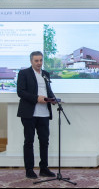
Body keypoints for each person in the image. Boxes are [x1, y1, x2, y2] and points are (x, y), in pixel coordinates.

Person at [17, 51, 56, 179]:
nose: (39, 63)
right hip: (29, 113)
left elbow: (48, 91)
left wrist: (53, 99)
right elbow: (20, 92)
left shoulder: (45, 74)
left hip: (44, 113)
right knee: (29, 141)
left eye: (41, 60)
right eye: (36, 61)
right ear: (31, 61)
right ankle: (29, 170)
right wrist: (36, 98)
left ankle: (43, 168)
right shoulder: (24, 73)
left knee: (44, 141)